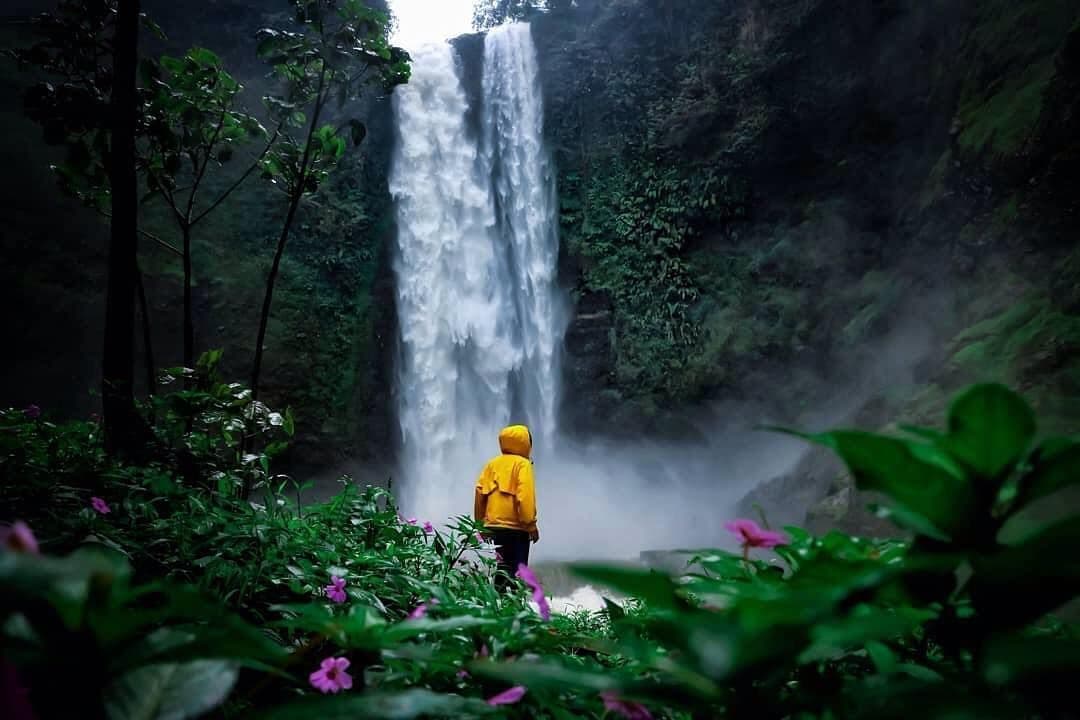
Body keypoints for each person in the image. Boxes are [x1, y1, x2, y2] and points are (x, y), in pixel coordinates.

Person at [473, 424, 539, 590]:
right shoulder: (522, 464)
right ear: (525, 443)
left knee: (502, 569)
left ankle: (498, 604)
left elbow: (480, 494)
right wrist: (530, 525)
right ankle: (514, 608)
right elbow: (525, 496)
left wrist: (481, 525)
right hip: (517, 528)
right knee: (518, 571)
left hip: (495, 527)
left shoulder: (491, 464)